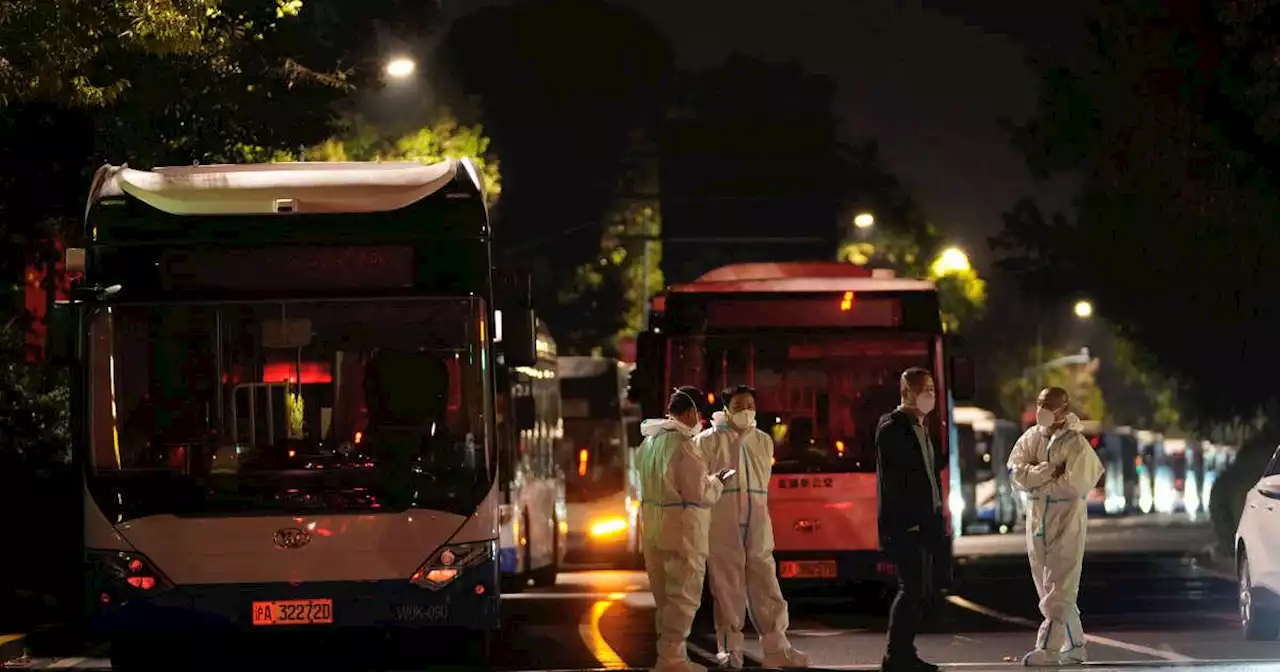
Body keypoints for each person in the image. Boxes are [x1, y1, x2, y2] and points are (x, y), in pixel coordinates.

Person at [698, 385, 810, 669]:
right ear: (726, 409)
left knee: (766, 582)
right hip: (722, 523)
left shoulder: (763, 441)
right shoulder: (707, 442)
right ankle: (730, 652)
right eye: (738, 405)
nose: (745, 410)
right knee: (726, 587)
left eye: (750, 404)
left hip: (758, 521)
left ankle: (776, 649)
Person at [1007, 387, 1105, 666]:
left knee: (1061, 584)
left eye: (1049, 405)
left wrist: (1036, 482)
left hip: (1067, 521)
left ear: (1064, 409)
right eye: (1040, 404)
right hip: (1037, 519)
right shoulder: (1029, 438)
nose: (1043, 410)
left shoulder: (1077, 444)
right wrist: (1047, 471)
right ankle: (1074, 645)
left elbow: (1076, 485)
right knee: (1046, 584)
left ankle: (1049, 648)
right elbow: (1015, 472)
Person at [637, 386, 726, 672]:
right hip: (683, 534)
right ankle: (672, 660)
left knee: (664, 599)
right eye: (699, 416)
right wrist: (718, 481)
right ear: (690, 413)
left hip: (654, 531)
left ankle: (668, 656)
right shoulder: (685, 446)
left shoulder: (649, 443)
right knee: (683, 597)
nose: (699, 422)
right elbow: (698, 493)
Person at [874, 367, 945, 672]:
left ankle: (903, 652)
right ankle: (896, 655)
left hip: (924, 523)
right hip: (906, 525)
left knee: (919, 590)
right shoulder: (893, 427)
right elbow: (899, 481)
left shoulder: (920, 426)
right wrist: (910, 520)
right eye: (922, 389)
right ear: (905, 393)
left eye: (931, 388)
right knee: (912, 589)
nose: (929, 394)